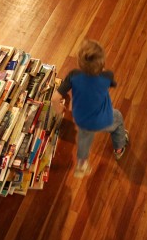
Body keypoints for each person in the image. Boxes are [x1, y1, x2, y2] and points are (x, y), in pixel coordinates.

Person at [55, 40, 129, 178]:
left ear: (79, 62)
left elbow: (55, 97)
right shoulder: (107, 76)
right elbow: (111, 83)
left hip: (81, 118)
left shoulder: (73, 75)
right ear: (102, 64)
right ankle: (119, 148)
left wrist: (58, 109)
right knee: (117, 118)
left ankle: (82, 162)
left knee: (84, 137)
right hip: (101, 119)